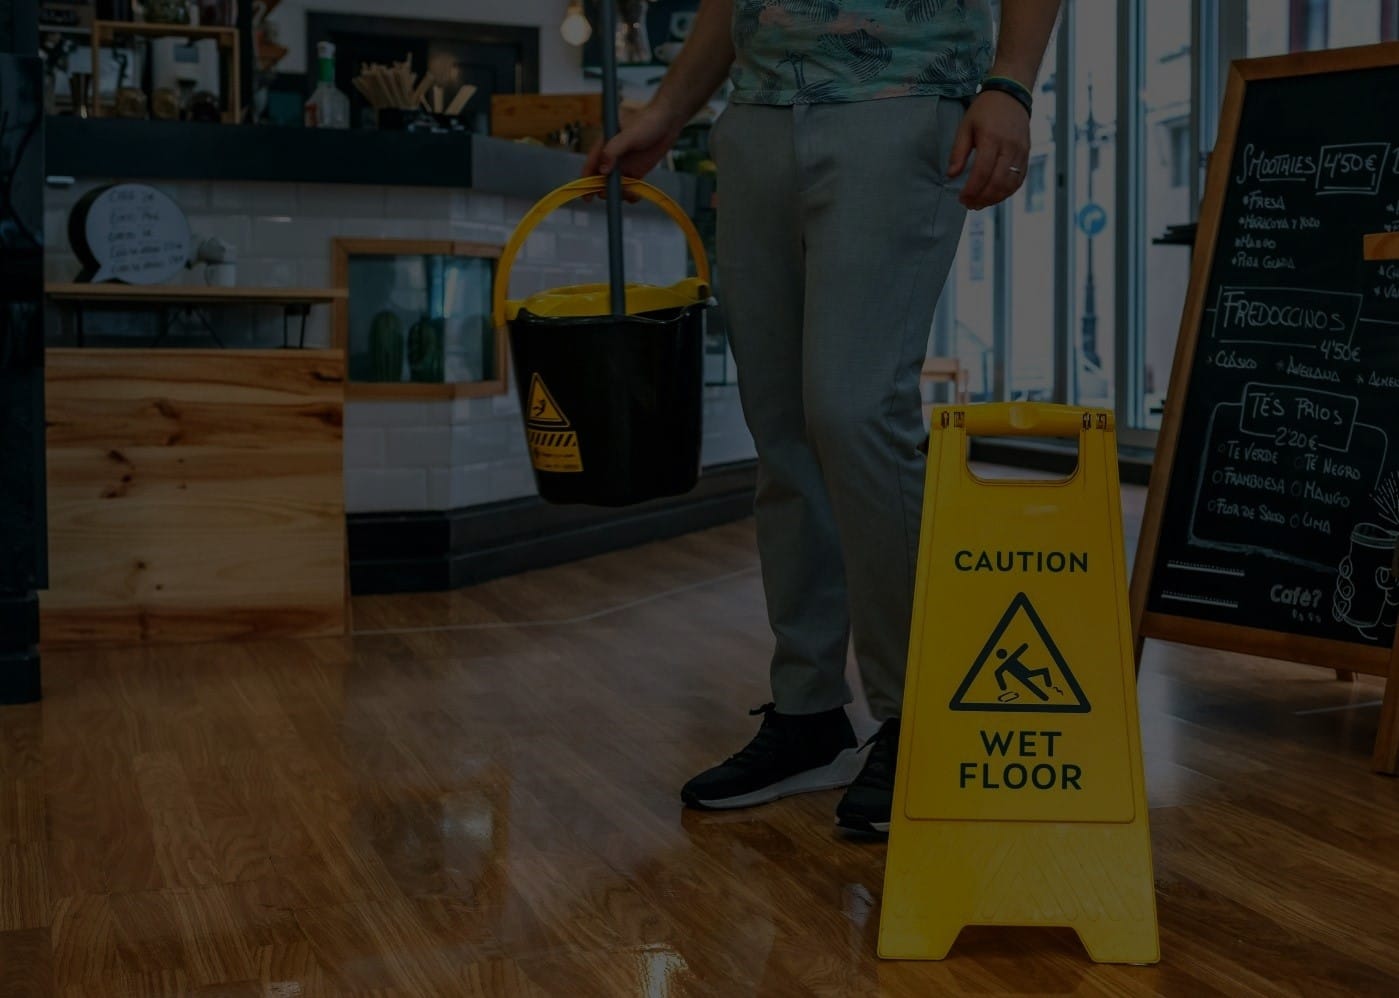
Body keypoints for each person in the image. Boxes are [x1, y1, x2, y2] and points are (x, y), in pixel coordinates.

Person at [585, 0, 1061, 834]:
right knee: (781, 428)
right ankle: (807, 710)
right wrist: (667, 112)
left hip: (905, 102)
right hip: (758, 120)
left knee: (853, 409)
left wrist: (1011, 83)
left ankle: (922, 718)